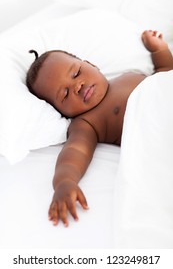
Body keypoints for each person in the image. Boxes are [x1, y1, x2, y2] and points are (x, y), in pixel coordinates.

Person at [26, 30, 173, 227]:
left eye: (76, 73)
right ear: (62, 111)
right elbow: (75, 152)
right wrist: (64, 182)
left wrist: (159, 49)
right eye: (65, 94)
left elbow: (165, 73)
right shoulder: (86, 122)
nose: (77, 86)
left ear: (91, 65)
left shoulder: (129, 75)